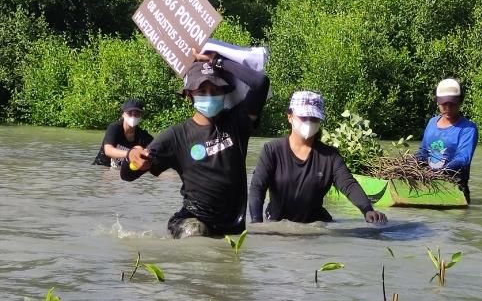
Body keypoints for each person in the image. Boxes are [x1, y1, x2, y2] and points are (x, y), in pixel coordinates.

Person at [121, 51, 269, 238]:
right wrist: (132, 156)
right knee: (195, 233)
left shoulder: (237, 123)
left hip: (232, 226)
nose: (209, 96)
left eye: (215, 91)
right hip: (192, 220)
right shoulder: (176, 136)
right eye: (202, 91)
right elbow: (127, 175)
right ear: (189, 95)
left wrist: (218, 60)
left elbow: (260, 83)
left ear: (225, 93)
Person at [248, 91, 387, 224]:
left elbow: (349, 184)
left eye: (313, 118)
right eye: (303, 117)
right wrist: (256, 222)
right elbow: (257, 187)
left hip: (317, 226)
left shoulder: (330, 156)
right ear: (290, 117)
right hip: (277, 223)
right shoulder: (272, 150)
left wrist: (367, 210)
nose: (308, 122)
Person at [416, 78, 479, 203]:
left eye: (453, 104)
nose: (448, 108)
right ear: (437, 103)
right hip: (430, 185)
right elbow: (423, 153)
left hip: (455, 188)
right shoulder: (432, 123)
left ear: (460, 102)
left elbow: (463, 159)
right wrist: (410, 162)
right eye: (444, 104)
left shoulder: (468, 129)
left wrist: (440, 172)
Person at [92, 99, 153, 167]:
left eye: (137, 114)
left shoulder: (144, 136)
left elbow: (154, 154)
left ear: (141, 116)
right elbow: (108, 150)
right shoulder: (114, 128)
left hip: (121, 171)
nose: (133, 116)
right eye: (129, 113)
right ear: (123, 114)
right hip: (101, 167)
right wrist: (130, 153)